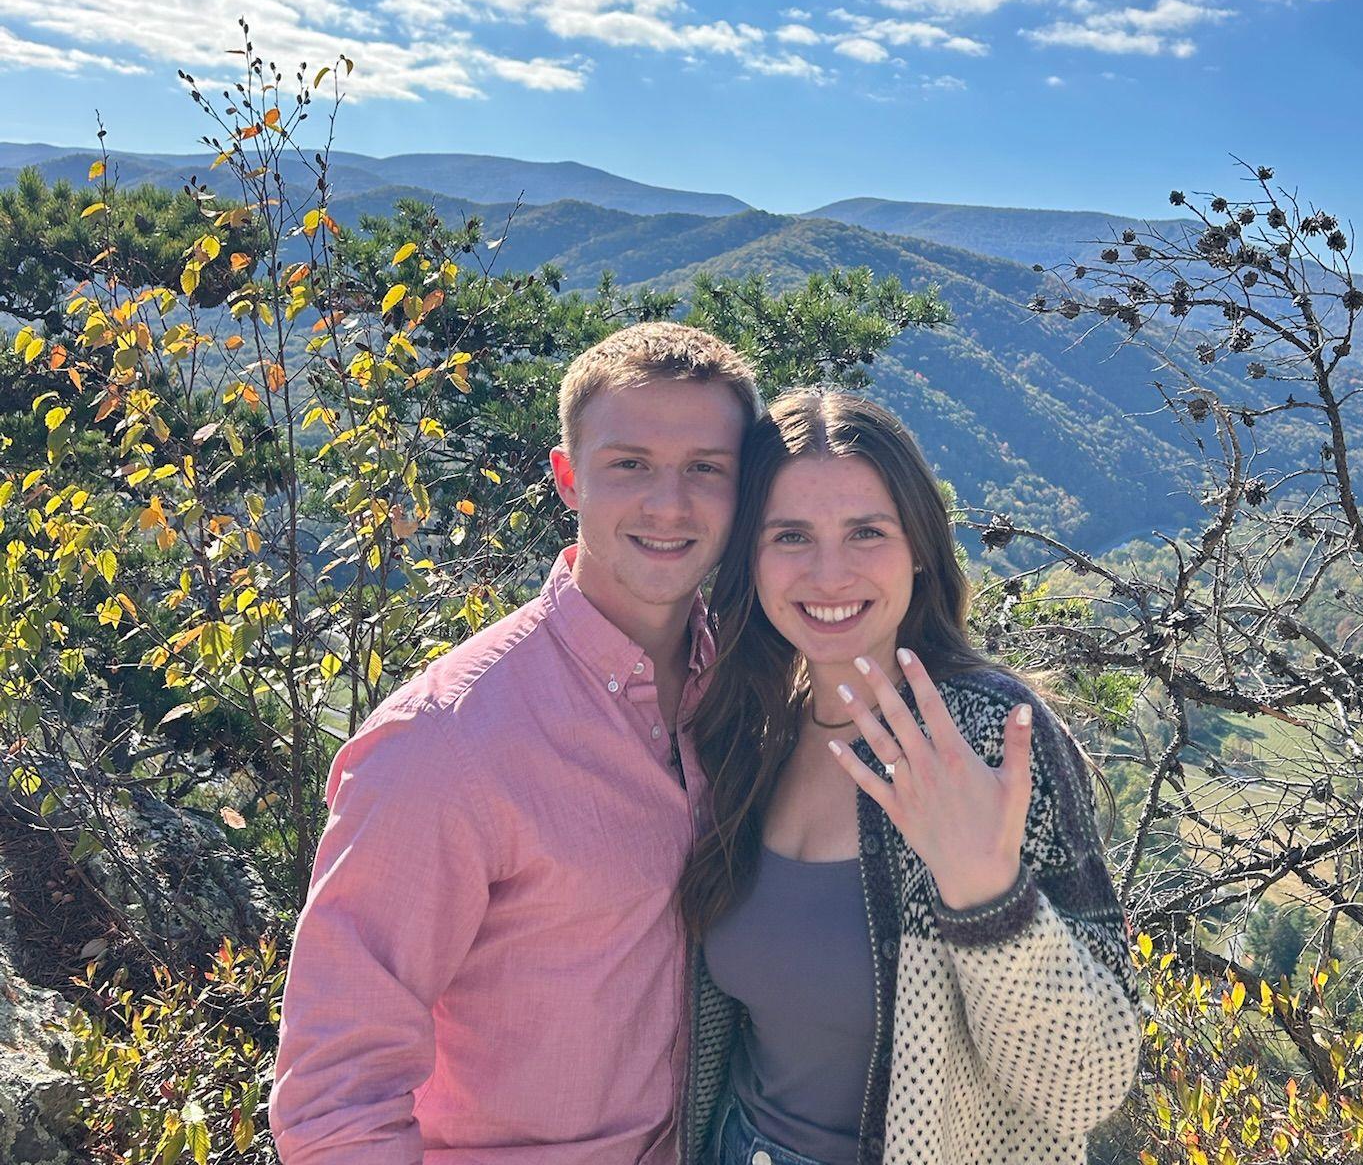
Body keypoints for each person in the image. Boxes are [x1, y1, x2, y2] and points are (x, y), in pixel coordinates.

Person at [269, 322, 761, 1165]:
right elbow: (336, 1100)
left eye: (705, 469)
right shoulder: (446, 741)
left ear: (743, 489)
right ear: (568, 478)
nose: (669, 504)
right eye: (630, 464)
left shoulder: (742, 700)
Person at [676, 388, 1140, 1165]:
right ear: (748, 558)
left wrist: (986, 893)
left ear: (918, 547)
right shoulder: (749, 733)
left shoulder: (992, 737)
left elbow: (1086, 1088)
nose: (830, 573)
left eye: (867, 532)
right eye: (790, 534)